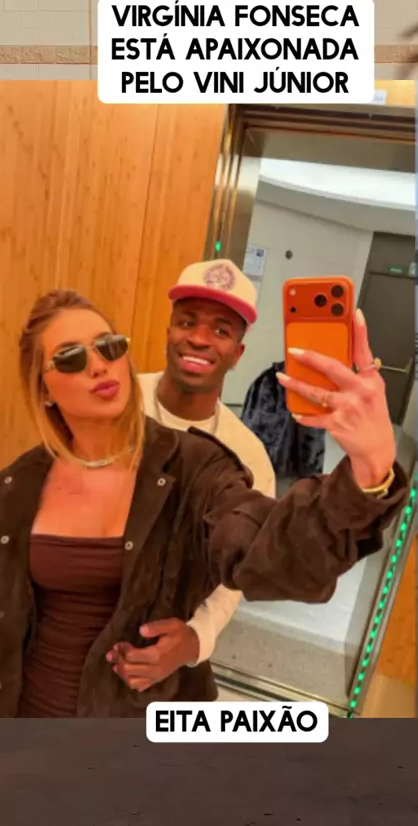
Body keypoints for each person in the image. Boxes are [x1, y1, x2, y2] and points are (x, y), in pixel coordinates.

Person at [0, 288, 407, 718]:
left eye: (108, 346)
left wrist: (369, 470)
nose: (98, 364)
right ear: (43, 388)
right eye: (71, 358)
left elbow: (273, 555)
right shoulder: (17, 484)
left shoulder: (197, 467)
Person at [138, 260, 276, 682]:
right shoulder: (117, 401)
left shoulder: (248, 458)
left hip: (156, 635)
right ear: (168, 330)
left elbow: (234, 574)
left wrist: (196, 637)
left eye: (221, 330)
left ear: (238, 353)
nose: (199, 339)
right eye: (187, 322)